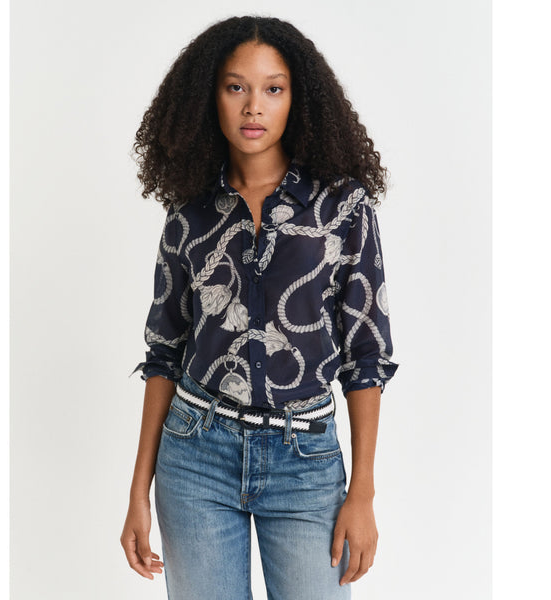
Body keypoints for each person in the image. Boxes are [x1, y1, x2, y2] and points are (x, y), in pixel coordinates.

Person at [120, 15, 400, 600]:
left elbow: (366, 356)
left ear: (298, 99)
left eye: (273, 88)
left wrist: (363, 491)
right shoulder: (189, 214)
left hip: (305, 459)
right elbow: (164, 352)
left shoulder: (342, 208)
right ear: (211, 97)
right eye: (235, 87)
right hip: (195, 453)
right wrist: (137, 493)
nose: (253, 106)